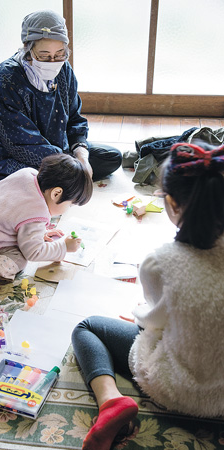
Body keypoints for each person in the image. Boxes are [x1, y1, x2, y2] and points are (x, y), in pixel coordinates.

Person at [72, 142, 224, 449]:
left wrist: (142, 315)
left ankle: (111, 401)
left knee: (87, 328)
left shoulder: (161, 263)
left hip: (176, 388)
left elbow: (155, 319)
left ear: (171, 202)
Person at [0, 9, 122, 191]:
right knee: (49, 181)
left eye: (60, 54)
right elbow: (18, 142)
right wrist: (68, 165)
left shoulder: (63, 70)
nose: (53, 61)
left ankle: (60, 172)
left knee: (112, 158)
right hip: (13, 153)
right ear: (28, 47)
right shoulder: (6, 79)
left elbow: (74, 118)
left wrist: (81, 156)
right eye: (44, 55)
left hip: (57, 149)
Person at [0, 154, 93, 309]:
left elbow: (12, 210)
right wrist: (63, 247)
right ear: (56, 193)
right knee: (20, 255)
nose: (68, 209)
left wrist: (39, 232)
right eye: (70, 205)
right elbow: (34, 252)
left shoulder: (27, 174)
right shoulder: (36, 213)